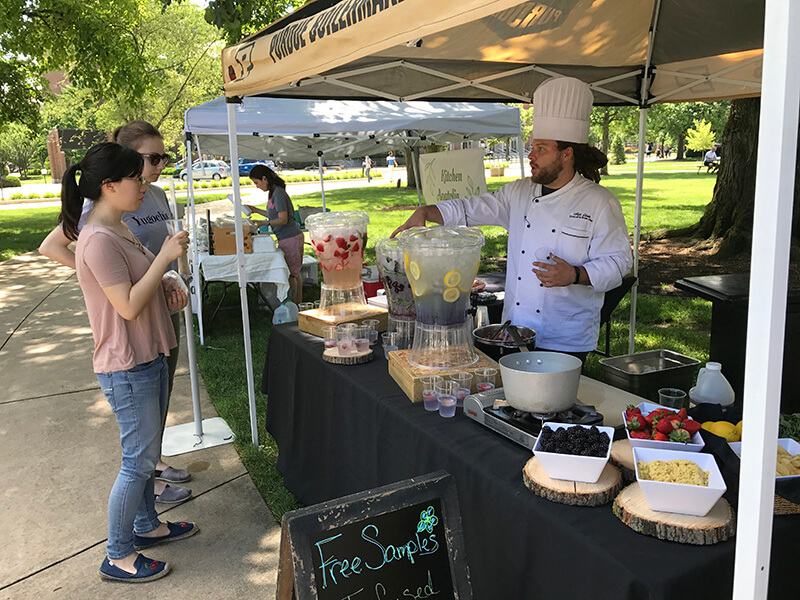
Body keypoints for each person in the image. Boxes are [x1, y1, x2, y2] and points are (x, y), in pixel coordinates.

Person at [392, 77, 632, 362]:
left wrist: (575, 275)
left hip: (565, 335)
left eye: (541, 148)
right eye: (532, 147)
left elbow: (619, 262)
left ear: (566, 154)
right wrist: (426, 212)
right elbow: (470, 208)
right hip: (517, 327)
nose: (531, 155)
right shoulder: (519, 193)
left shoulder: (599, 201)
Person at [59, 142, 197, 582]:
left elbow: (142, 290)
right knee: (138, 462)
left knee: (146, 452)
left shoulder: (118, 228)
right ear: (109, 185)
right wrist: (165, 258)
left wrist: (167, 286)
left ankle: (147, 526)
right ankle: (117, 554)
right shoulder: (98, 240)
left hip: (148, 356)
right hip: (126, 365)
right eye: (136, 179)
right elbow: (126, 307)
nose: (143, 186)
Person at [39, 121, 193, 505]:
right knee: (136, 448)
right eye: (151, 158)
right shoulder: (103, 208)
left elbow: (151, 257)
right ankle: (142, 494)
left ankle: (152, 472)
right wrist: (101, 279)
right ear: (125, 163)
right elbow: (54, 247)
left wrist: (168, 279)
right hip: (129, 332)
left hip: (156, 312)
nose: (158, 165)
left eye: (163, 156)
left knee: (162, 391)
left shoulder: (149, 196)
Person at [245, 165, 305, 303]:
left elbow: (282, 219)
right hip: (287, 237)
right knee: (294, 273)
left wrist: (263, 224)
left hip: (290, 238)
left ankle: (294, 307)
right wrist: (256, 210)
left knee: (291, 274)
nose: (257, 186)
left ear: (264, 179)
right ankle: (297, 306)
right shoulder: (273, 193)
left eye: (257, 182)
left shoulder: (278, 193)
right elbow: (273, 214)